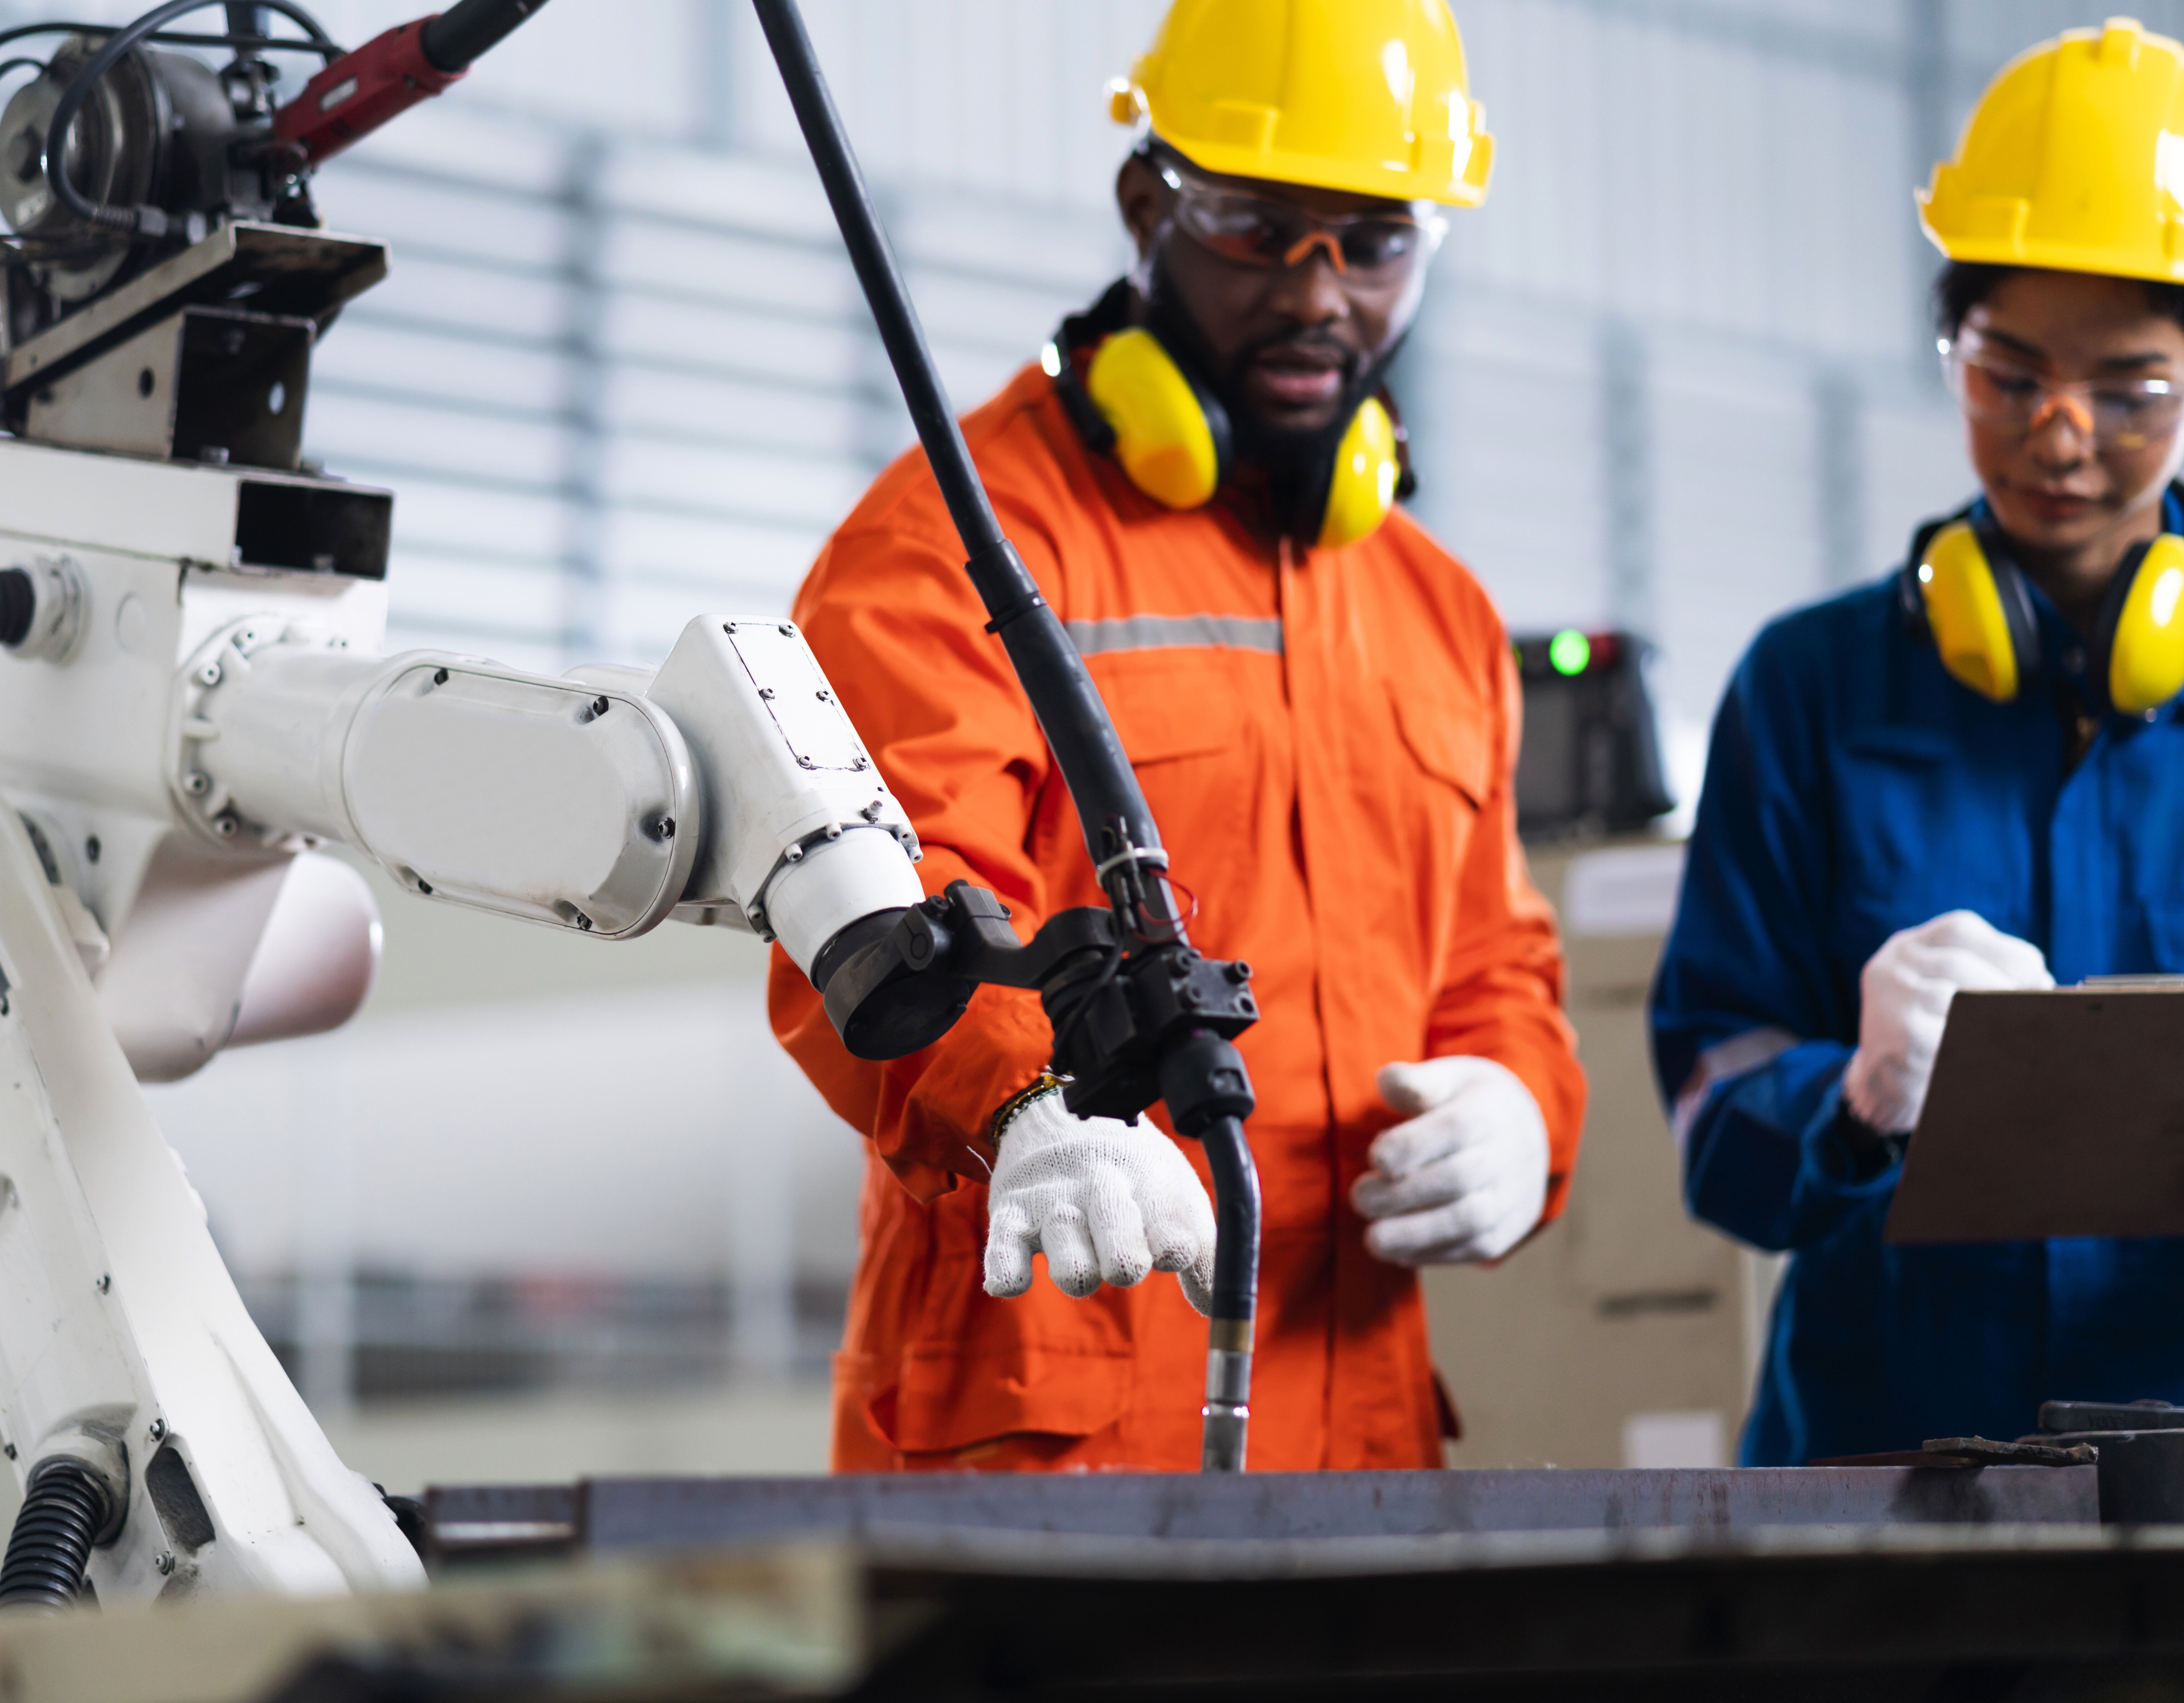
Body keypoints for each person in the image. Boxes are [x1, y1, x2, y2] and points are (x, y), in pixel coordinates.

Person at [768, 0, 1586, 1473]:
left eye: (1377, 243)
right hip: (1043, 1450)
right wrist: (1023, 1098)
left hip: (1357, 1451)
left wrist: (1524, 1103)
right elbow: (866, 915)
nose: (1321, 295)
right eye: (1260, 227)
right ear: (1149, 200)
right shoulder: (948, 544)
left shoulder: (1435, 607)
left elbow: (1495, 966)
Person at [1653, 16, 2184, 1466]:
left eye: (2130, 394)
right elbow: (1710, 1120)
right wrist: (1857, 1097)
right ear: (1949, 346)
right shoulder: (1809, 690)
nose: (2061, 437)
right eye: (2007, 374)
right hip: (1879, 1486)